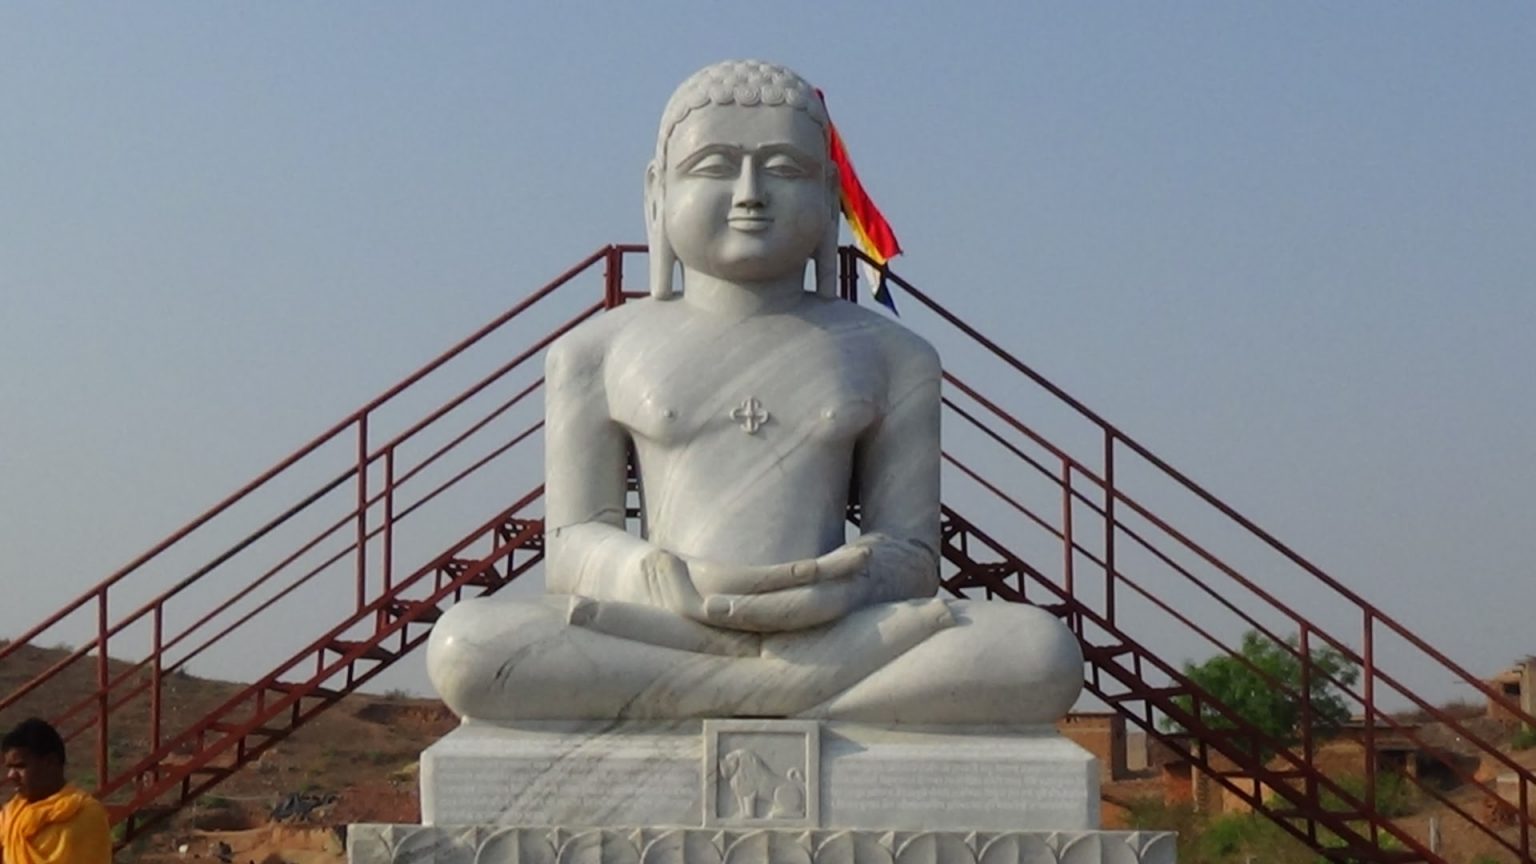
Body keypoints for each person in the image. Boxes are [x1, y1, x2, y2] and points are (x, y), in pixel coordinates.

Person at [426, 60, 1083, 724]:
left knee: (1040, 650)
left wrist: (844, 584)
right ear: (656, 191)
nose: (750, 194)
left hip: (832, 628)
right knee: (467, 647)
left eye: (784, 169)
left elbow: (912, 554)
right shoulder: (594, 352)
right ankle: (797, 696)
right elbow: (573, 544)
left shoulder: (896, 355)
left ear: (828, 194)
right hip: (665, 626)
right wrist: (659, 578)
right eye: (714, 166)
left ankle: (722, 693)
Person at [0, 718, 111, 864]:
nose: (11, 775)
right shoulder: (10, 816)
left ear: (50, 762)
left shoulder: (84, 813)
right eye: (10, 768)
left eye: (20, 766)